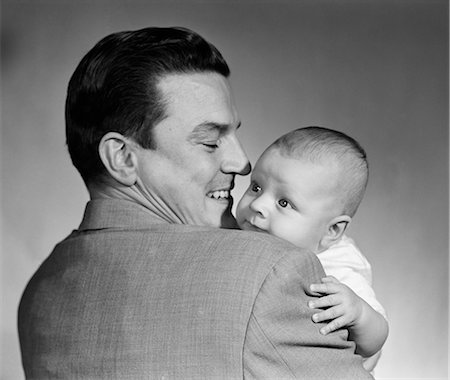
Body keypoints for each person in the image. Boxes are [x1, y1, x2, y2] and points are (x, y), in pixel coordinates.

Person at [18, 27, 372, 379]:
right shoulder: (268, 271)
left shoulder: (38, 294)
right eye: (210, 141)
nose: (242, 162)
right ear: (123, 158)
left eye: (234, 134)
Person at [236, 126, 389, 372]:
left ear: (332, 231)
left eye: (284, 202)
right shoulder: (248, 233)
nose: (258, 205)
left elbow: (377, 339)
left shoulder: (338, 270)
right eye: (256, 187)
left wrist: (357, 312)